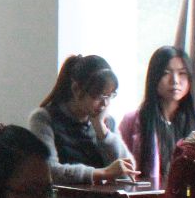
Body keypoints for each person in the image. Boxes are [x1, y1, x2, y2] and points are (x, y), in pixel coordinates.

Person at [27, 54, 136, 185]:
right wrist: (103, 173)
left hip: (103, 197)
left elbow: (128, 171)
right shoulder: (44, 118)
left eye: (109, 96)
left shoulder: (106, 122)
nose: (105, 103)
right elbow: (49, 171)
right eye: (99, 96)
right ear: (76, 89)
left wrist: (103, 132)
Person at [117, 46, 195, 185]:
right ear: (154, 77)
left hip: (188, 195)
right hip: (147, 195)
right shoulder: (132, 121)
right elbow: (119, 168)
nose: (175, 80)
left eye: (182, 73)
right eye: (165, 73)